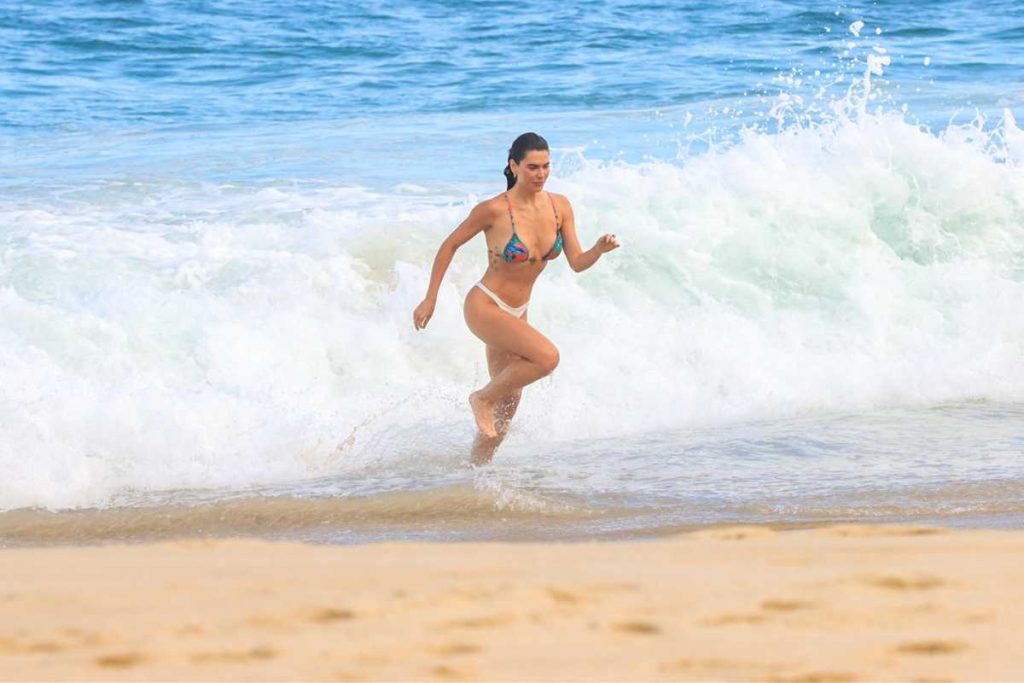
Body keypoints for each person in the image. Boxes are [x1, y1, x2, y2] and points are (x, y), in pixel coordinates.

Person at [412, 132, 620, 461]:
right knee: (547, 358)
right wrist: (430, 298)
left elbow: (578, 263)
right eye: (532, 167)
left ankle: (475, 473)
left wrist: (598, 249)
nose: (541, 174)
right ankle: (480, 398)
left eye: (546, 166)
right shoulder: (493, 210)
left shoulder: (560, 207)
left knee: (506, 409)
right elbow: (450, 245)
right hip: (485, 305)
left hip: (518, 311)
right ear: (514, 166)